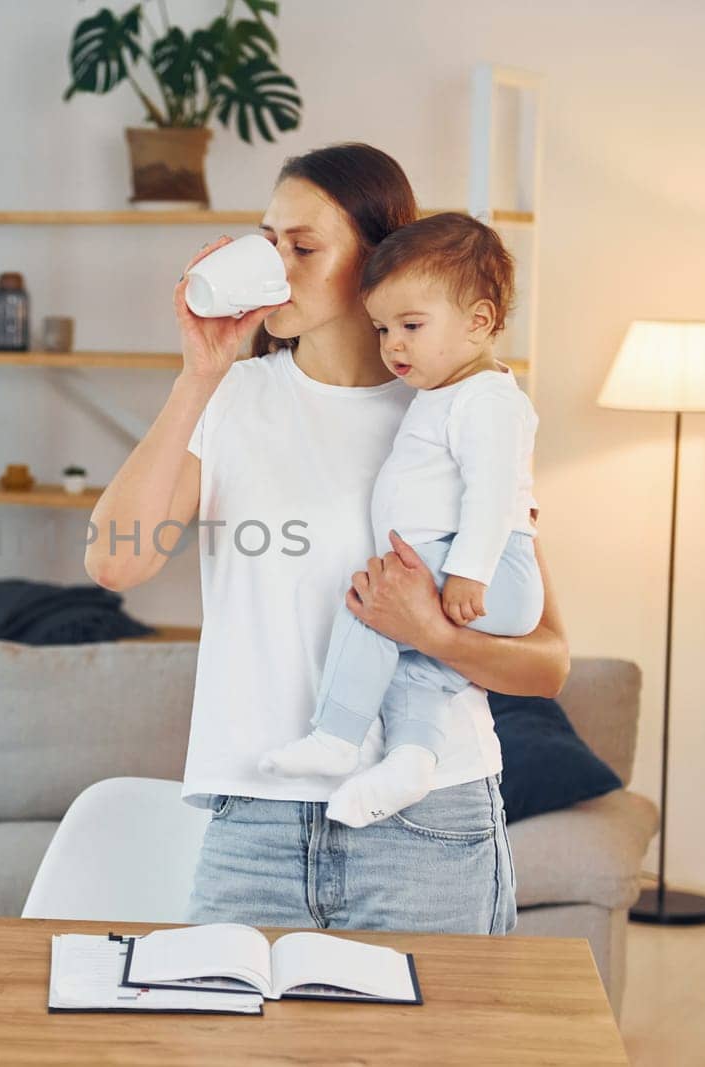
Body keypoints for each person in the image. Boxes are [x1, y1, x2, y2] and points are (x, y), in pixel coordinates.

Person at [84, 143, 569, 934]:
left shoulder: (460, 410)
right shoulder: (234, 398)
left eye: (303, 247)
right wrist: (198, 374)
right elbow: (115, 559)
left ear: (379, 261)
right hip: (253, 828)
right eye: (268, 240)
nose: (277, 264)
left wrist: (430, 631)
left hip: (427, 826)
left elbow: (547, 662)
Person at [258, 211, 546, 831]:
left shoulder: (487, 399)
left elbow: (494, 494)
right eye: (384, 328)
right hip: (462, 561)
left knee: (374, 601)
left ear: (480, 322)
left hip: (487, 568)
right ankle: (412, 760)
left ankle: (337, 733)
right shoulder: (446, 394)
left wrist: (469, 573)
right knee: (416, 670)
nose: (394, 345)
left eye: (412, 325)